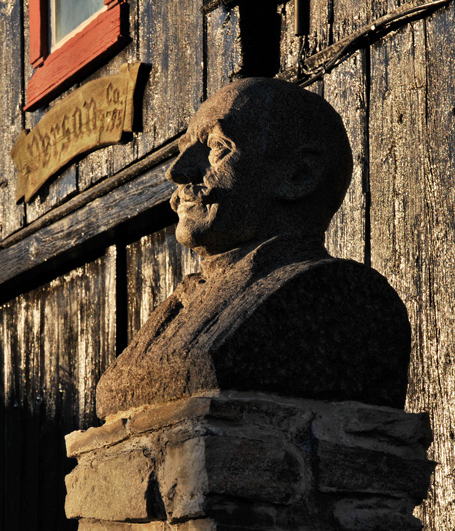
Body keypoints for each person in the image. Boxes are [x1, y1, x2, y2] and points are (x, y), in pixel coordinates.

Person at [95, 78, 411, 420]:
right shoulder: (183, 299)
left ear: (299, 175)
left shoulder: (340, 298)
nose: (177, 172)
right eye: (181, 152)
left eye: (216, 146)